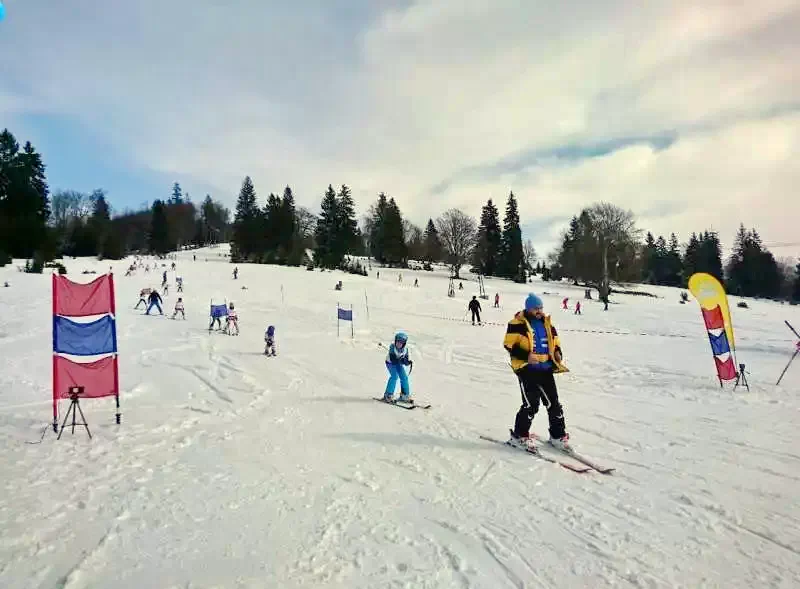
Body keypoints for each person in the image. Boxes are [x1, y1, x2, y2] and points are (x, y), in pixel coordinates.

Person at [503, 293, 571, 450]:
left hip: (546, 368)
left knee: (554, 404)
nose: (539, 311)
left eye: (541, 308)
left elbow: (555, 341)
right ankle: (519, 436)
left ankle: (557, 436)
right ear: (528, 309)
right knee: (531, 405)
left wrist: (558, 352)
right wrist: (526, 356)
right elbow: (509, 345)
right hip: (527, 370)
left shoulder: (547, 323)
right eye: (536, 308)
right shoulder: (517, 324)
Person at [383, 332, 413, 402]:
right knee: (394, 376)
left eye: (401, 343)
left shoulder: (405, 350)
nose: (398, 344)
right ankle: (388, 395)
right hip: (390, 363)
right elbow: (393, 359)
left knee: (404, 377)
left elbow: (405, 359)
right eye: (397, 342)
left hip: (398, 364)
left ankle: (405, 395)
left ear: (404, 344)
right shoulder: (392, 347)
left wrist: (407, 362)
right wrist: (399, 360)